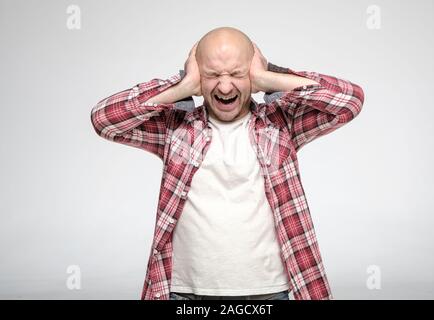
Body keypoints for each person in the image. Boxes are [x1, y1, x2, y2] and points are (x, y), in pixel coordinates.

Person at [90, 26, 365, 300]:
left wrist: (272, 75)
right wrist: (181, 86)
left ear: (253, 75)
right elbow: (104, 120)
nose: (224, 86)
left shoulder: (282, 124)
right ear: (198, 76)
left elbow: (349, 101)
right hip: (185, 293)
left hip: (266, 292)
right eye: (211, 75)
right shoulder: (174, 128)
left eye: (237, 74)